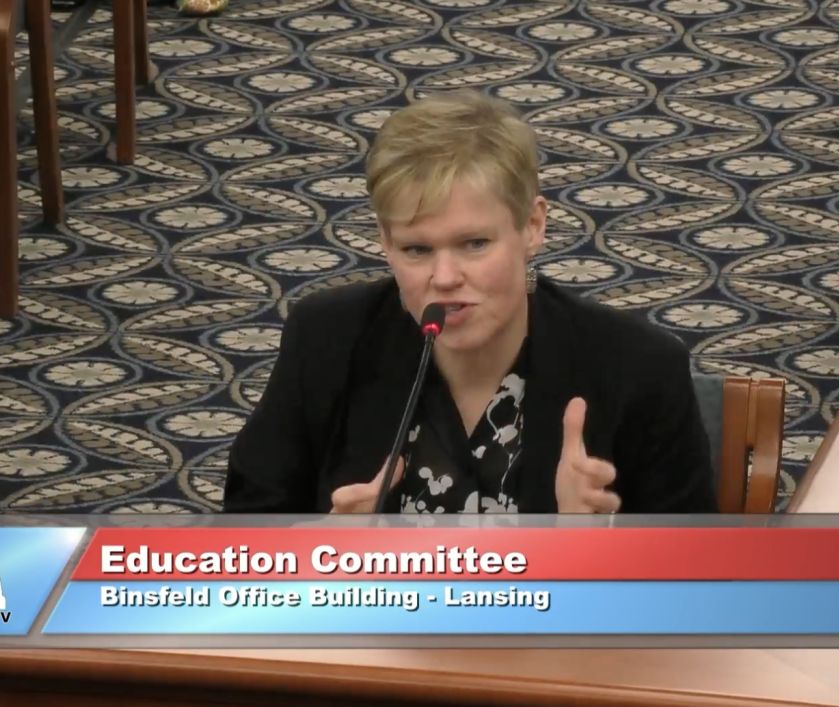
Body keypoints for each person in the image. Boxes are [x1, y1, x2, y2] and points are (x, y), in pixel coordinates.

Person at [223, 90, 715, 514]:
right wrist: (325, 555)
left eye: (475, 244)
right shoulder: (325, 339)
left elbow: (697, 588)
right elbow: (244, 539)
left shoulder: (638, 368)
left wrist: (587, 548)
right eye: (417, 249)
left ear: (532, 226)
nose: (444, 278)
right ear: (385, 243)